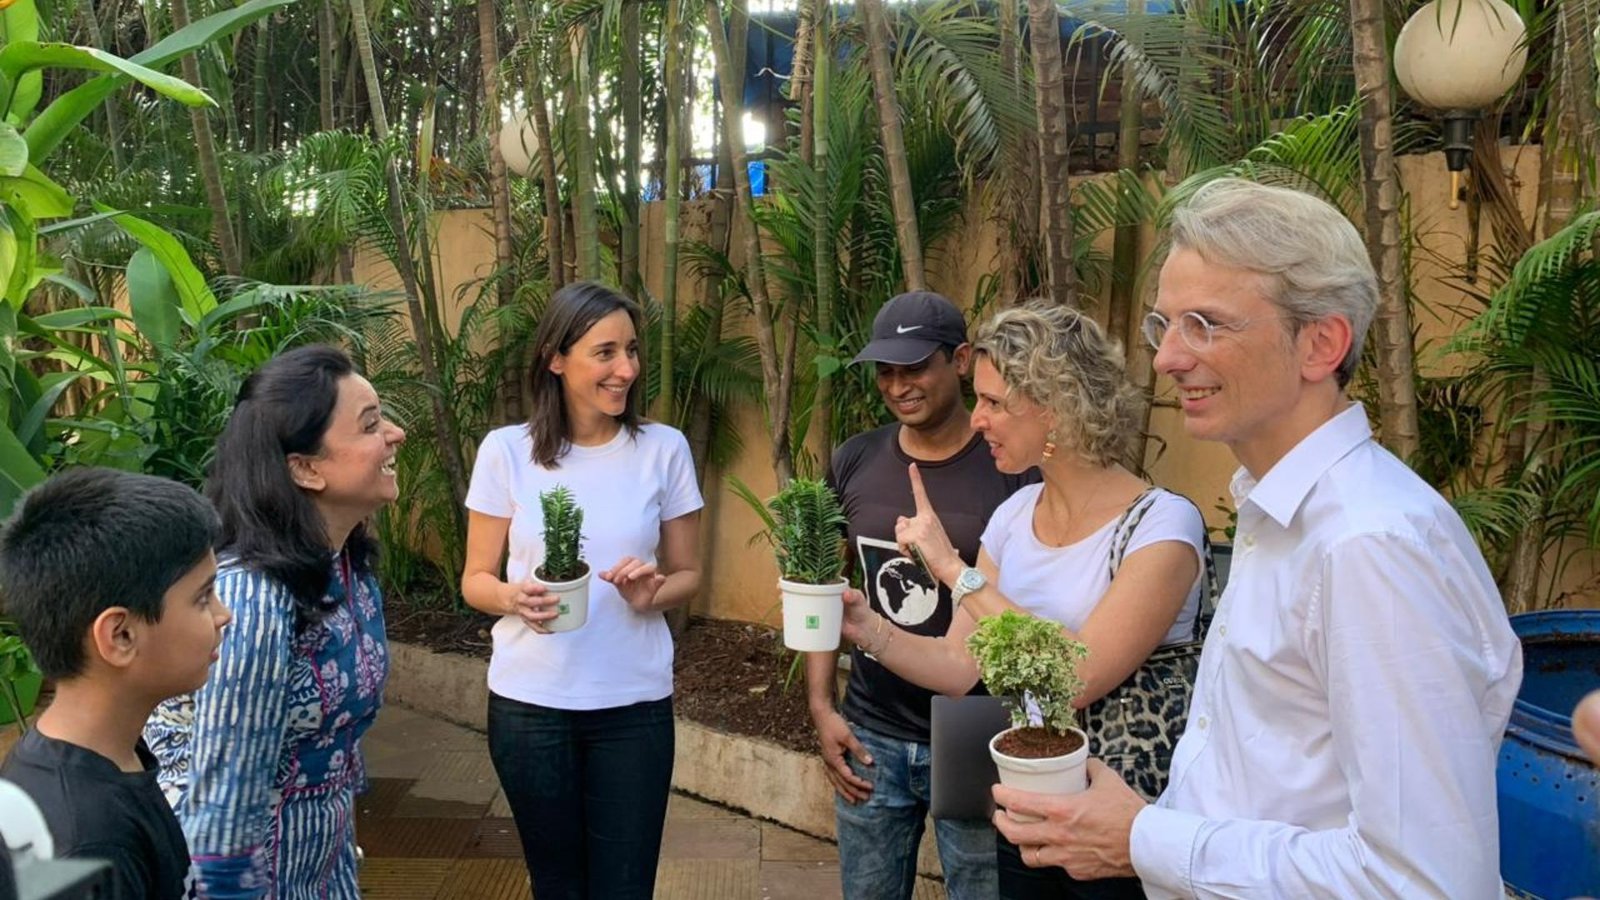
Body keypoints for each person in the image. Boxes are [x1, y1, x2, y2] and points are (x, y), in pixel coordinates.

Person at [991, 178, 1524, 899]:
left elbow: (1424, 882)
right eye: (1164, 325)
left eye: (1205, 325)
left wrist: (1145, 839)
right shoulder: (1284, 520)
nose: (1167, 359)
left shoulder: (1369, 545)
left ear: (1321, 342)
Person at [843, 299, 1207, 900]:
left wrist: (954, 572)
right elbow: (962, 669)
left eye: (994, 402)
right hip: (1024, 811)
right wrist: (867, 629)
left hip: (1121, 820)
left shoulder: (1162, 525)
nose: (977, 418)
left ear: (1058, 406)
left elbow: (1077, 675)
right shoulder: (1013, 516)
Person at [461, 280, 703, 899]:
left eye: (631, 350)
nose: (626, 368)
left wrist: (653, 594)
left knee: (625, 887)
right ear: (555, 358)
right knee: (557, 884)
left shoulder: (664, 450)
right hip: (529, 706)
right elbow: (475, 580)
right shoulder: (506, 453)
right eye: (605, 352)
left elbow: (689, 573)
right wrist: (514, 598)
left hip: (633, 707)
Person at [144, 344, 407, 898]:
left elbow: (337, 747)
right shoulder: (255, 599)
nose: (395, 434)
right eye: (370, 425)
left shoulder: (346, 566)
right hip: (247, 869)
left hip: (320, 855)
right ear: (306, 469)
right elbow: (224, 806)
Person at [809, 291, 1038, 900]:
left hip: (975, 723)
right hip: (871, 725)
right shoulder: (855, 458)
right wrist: (821, 705)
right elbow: (823, 589)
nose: (897, 384)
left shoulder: (1013, 466)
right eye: (886, 370)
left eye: (914, 367)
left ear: (960, 361)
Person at [0, 467, 230, 900]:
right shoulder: (87, 844)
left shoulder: (106, 760)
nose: (224, 615)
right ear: (120, 636)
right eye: (203, 597)